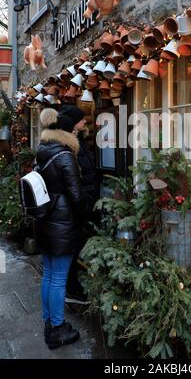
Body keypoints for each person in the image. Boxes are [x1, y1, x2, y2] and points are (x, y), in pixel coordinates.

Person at [35, 108, 83, 350]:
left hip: (45, 219)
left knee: (49, 275)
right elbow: (76, 195)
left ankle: (47, 321)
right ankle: (57, 327)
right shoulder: (65, 155)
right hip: (61, 223)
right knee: (59, 278)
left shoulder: (42, 151)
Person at [60, 105, 98, 303]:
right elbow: (74, 179)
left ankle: (73, 285)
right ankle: (71, 288)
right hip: (77, 204)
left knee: (77, 246)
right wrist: (83, 201)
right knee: (73, 247)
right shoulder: (69, 147)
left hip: (85, 199)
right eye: (82, 119)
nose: (85, 122)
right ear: (74, 123)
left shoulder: (78, 142)